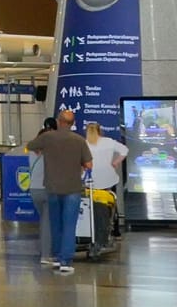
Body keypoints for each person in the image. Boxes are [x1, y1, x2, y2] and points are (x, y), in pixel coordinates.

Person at [27, 110, 92, 275]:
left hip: (52, 188)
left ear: (58, 121)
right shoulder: (79, 140)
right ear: (72, 123)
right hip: (73, 188)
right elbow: (89, 164)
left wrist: (41, 151)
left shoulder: (48, 137)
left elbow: (30, 146)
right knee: (69, 225)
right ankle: (65, 261)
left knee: (55, 224)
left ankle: (56, 257)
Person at [84, 121, 129, 241]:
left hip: (90, 181)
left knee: (92, 207)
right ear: (100, 130)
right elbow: (124, 150)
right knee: (111, 204)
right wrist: (116, 162)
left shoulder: (84, 144)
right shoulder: (109, 142)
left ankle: (93, 231)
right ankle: (115, 231)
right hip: (108, 179)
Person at [26, 116, 55, 263]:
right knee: (48, 223)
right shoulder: (51, 152)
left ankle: (44, 249)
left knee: (44, 221)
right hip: (47, 189)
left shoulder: (32, 152)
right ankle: (46, 254)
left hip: (34, 190)